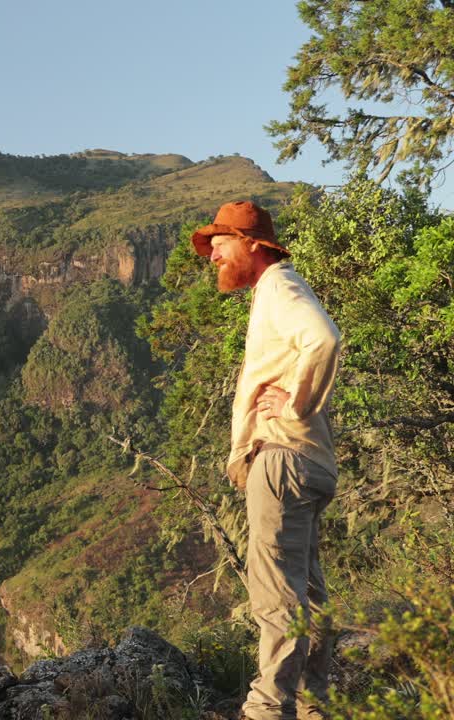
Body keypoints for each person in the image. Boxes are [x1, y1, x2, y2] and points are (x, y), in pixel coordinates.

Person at [191, 201, 342, 720]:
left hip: (283, 459)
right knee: (307, 594)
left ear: (253, 244)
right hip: (307, 461)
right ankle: (314, 705)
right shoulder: (272, 290)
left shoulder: (279, 285)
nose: (213, 256)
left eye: (220, 244)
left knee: (276, 595)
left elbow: (324, 338)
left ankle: (266, 710)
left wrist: (296, 404)